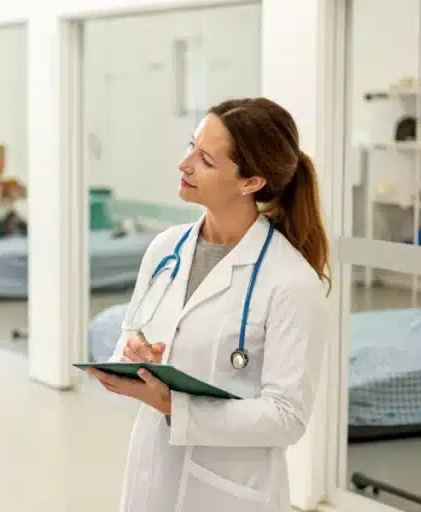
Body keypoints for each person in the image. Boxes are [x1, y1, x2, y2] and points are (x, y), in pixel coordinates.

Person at [85, 97, 331, 512]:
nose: (184, 164)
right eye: (190, 147)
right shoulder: (166, 249)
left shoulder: (290, 282)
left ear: (250, 182)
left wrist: (171, 405)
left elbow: (287, 417)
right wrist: (132, 357)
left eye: (206, 160)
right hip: (151, 473)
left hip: (229, 492)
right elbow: (132, 335)